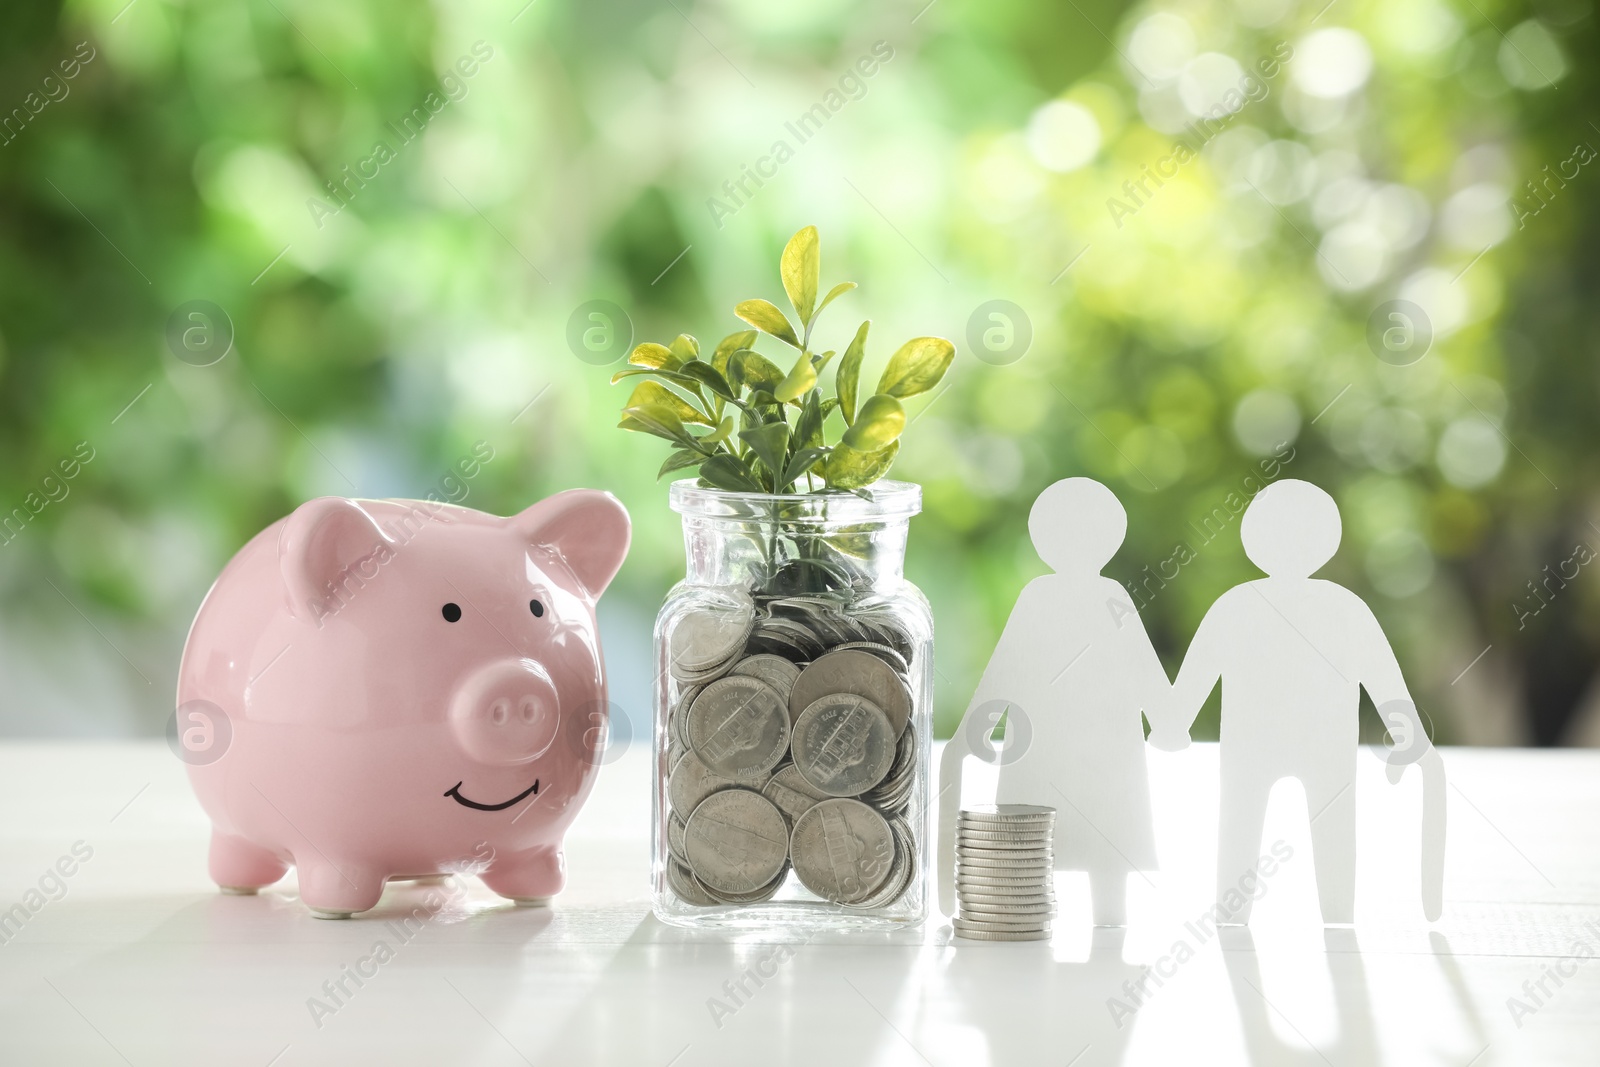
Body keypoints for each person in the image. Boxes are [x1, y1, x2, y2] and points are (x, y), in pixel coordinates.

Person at [1157, 478, 1430, 925]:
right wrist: (1407, 733)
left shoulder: (1239, 604)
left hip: (1265, 745)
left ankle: (1256, 911)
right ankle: (1322, 915)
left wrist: (1172, 726)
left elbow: (1383, 675)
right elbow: (1384, 678)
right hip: (1311, 746)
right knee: (1315, 826)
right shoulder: (1342, 606)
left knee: (1254, 822)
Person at [942, 478, 1169, 925]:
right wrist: (1167, 720)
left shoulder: (1086, 597)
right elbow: (1008, 664)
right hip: (1059, 739)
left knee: (1078, 838)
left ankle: (1095, 919)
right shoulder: (1086, 596)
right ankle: (1061, 917)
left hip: (1083, 740)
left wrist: (978, 725)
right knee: (1042, 838)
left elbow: (1137, 661)